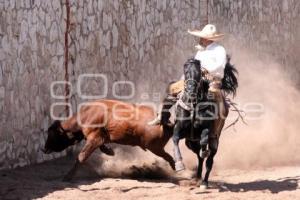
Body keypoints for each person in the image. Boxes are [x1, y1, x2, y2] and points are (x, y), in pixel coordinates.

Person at [148, 24, 227, 131]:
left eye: (202, 37)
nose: (200, 39)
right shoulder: (201, 51)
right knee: (172, 88)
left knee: (216, 99)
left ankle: (214, 131)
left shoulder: (219, 50)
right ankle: (163, 116)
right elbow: (193, 66)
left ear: (206, 39)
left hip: (212, 80)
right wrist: (184, 78)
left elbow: (220, 65)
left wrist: (206, 70)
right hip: (196, 79)